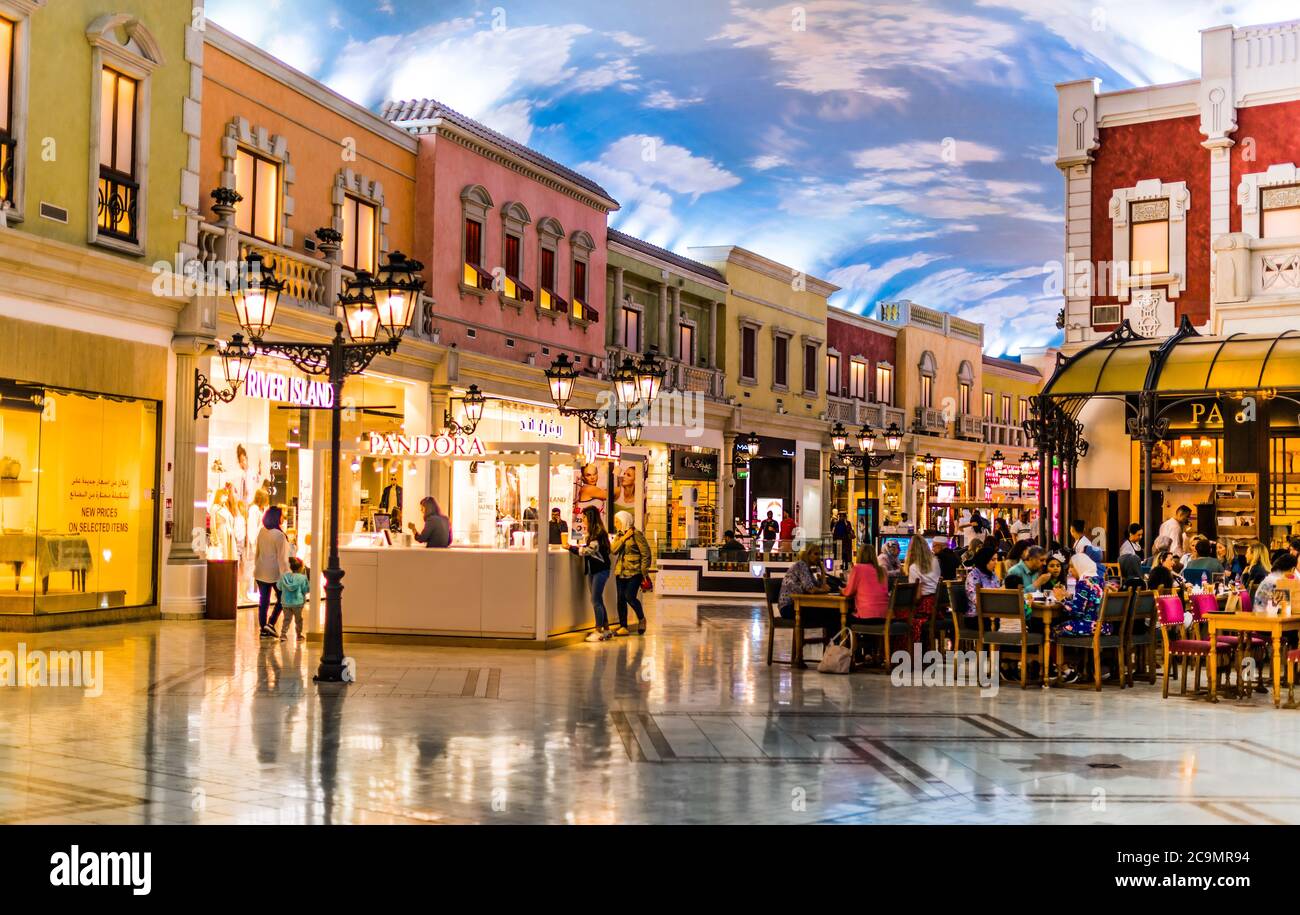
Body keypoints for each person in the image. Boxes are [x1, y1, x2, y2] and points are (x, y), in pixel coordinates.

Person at [1056, 552, 1109, 683]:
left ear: (1080, 566)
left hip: (1090, 626)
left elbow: (1077, 612)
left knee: (1056, 630)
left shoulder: (1083, 583)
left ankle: (1066, 668)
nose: (1069, 570)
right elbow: (1089, 602)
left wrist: (1061, 600)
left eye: (1072, 567)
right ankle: (1080, 666)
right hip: (1104, 626)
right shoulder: (1099, 580)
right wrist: (1069, 597)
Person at [570, 508, 613, 642]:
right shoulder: (594, 533)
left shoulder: (598, 533)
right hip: (594, 570)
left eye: (584, 518)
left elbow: (589, 550)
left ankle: (598, 630)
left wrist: (572, 548)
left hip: (600, 570)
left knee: (595, 600)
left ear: (590, 518)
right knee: (597, 599)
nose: (583, 521)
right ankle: (606, 629)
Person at [611, 510, 652, 636]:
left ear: (624, 521)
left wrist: (643, 571)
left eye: (617, 521)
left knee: (630, 597)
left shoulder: (637, 534)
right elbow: (613, 550)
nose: (615, 524)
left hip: (635, 572)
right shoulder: (619, 535)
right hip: (621, 571)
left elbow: (646, 554)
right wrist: (624, 538)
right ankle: (623, 626)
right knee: (620, 599)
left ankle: (641, 619)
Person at [254, 505, 290, 639]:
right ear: (276, 517)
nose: (283, 518)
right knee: (283, 598)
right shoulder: (280, 535)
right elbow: (282, 559)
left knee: (263, 601)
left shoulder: (262, 532)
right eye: (281, 515)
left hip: (260, 570)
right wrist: (286, 575)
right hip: (274, 573)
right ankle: (271, 623)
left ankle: (264, 628)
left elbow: (257, 552)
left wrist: (256, 566)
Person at [778, 544, 834, 631]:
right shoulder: (801, 565)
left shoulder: (808, 570)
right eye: (816, 554)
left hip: (797, 606)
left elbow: (821, 586)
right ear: (808, 554)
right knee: (828, 613)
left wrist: (822, 570)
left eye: (819, 554)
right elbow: (811, 589)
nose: (818, 557)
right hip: (788, 608)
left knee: (828, 613)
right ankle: (833, 641)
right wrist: (823, 590)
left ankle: (831, 641)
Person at [904, 534, 940, 645]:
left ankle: (906, 650)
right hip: (936, 606)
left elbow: (917, 596)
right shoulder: (935, 562)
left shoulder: (913, 567)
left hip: (924, 607)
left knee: (900, 615)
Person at [842, 543, 889, 620]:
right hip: (884, 617)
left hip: (866, 616)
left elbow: (848, 592)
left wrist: (841, 590)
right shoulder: (882, 570)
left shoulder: (858, 568)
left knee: (838, 617)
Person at [277, 556, 310, 642]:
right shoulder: (303, 578)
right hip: (298, 602)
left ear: (290, 567)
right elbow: (306, 590)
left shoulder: (284, 576)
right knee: (298, 619)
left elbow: (279, 587)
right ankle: (299, 635)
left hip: (286, 602)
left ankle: (283, 634)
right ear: (300, 568)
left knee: (286, 619)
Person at [964, 546, 1001, 615]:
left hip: (993, 612)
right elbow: (976, 600)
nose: (996, 562)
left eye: (996, 559)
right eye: (993, 560)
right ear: (984, 560)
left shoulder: (993, 575)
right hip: (976, 616)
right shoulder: (973, 575)